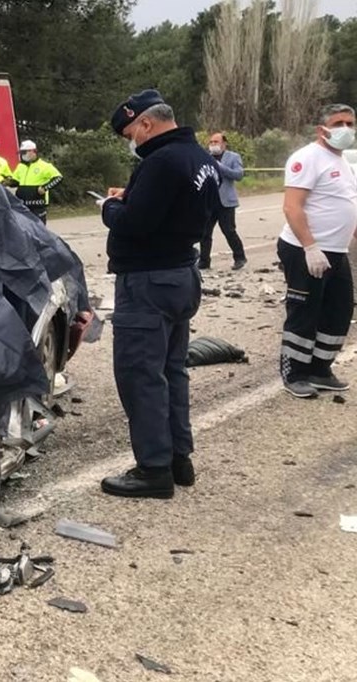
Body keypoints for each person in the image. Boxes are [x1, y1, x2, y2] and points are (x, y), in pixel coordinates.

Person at [97, 89, 220, 499]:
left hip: (148, 281)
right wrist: (131, 199)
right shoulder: (199, 157)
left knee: (140, 375)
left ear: (146, 124)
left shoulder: (161, 161)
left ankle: (153, 469)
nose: (131, 142)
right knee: (171, 371)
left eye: (130, 133)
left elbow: (134, 223)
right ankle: (178, 459)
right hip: (180, 273)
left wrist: (109, 208)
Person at [277, 103, 357, 399]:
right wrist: (310, 247)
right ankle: (294, 373)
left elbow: (348, 206)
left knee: (339, 310)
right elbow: (292, 206)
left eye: (350, 123)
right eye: (339, 123)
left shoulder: (342, 162)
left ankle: (320, 369)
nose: (346, 129)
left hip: (335, 251)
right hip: (304, 249)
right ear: (321, 129)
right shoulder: (308, 158)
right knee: (304, 312)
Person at [200, 132, 247, 270]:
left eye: (216, 142)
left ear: (224, 143)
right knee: (205, 233)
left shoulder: (233, 157)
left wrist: (219, 166)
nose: (213, 145)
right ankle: (204, 261)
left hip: (226, 201)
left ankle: (240, 257)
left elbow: (238, 175)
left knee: (229, 231)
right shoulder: (205, 157)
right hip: (209, 201)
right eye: (211, 142)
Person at [7, 140, 63, 223]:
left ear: (32, 151)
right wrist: (8, 182)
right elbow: (16, 182)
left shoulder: (44, 166)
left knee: (38, 230)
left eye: (24, 152)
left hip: (37, 204)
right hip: (22, 204)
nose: (22, 155)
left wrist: (45, 187)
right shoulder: (21, 166)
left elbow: (58, 178)